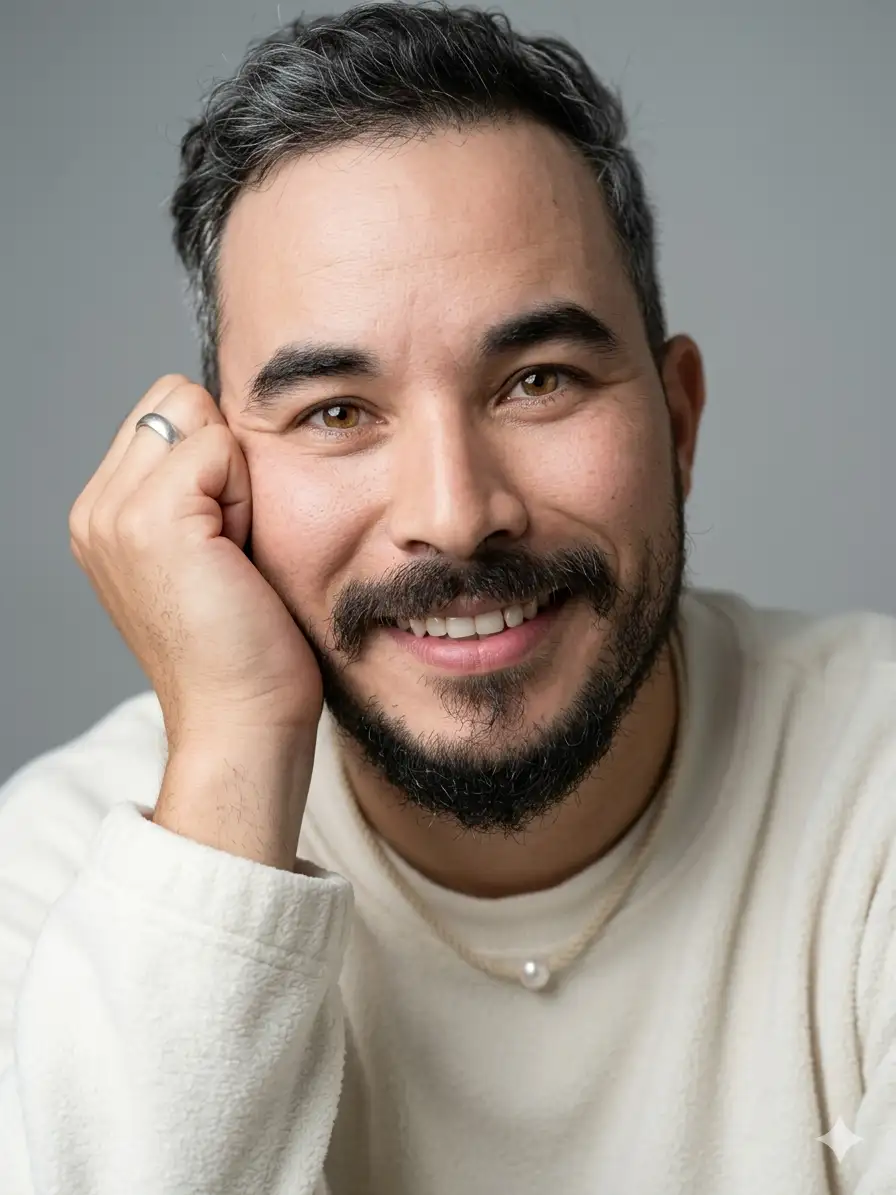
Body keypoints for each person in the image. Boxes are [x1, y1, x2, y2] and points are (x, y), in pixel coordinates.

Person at [0, 3, 893, 1192]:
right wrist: (230, 753)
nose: (457, 510)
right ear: (216, 474)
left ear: (675, 422)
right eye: (335, 411)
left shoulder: (871, 787)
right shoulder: (66, 885)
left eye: (536, 380)